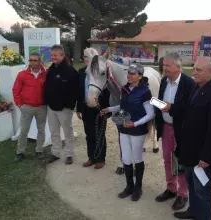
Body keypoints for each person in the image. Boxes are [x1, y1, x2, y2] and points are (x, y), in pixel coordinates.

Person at [173, 57, 211, 220]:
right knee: (191, 184)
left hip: (202, 155)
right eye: (194, 68)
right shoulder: (195, 87)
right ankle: (193, 212)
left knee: (202, 189)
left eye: (199, 70)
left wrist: (206, 156)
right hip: (189, 151)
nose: (194, 72)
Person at [100, 63, 154, 201]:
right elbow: (123, 105)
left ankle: (138, 187)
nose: (129, 75)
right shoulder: (124, 89)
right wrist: (110, 109)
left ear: (140, 76)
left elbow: (150, 114)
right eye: (128, 72)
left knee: (137, 158)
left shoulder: (145, 92)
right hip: (124, 128)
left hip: (137, 130)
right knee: (125, 159)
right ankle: (129, 186)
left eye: (133, 73)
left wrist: (135, 123)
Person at [154, 52, 194, 211]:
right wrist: (155, 103)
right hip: (165, 126)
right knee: (167, 159)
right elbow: (160, 102)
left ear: (178, 67)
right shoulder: (164, 81)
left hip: (181, 129)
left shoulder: (189, 83)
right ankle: (171, 188)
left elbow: (190, 109)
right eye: (164, 65)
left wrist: (171, 108)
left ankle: (183, 193)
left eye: (168, 66)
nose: (164, 68)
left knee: (181, 161)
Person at [44, 44, 80, 165]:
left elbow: (75, 91)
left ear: (62, 55)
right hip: (51, 108)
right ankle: (56, 153)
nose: (53, 57)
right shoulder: (51, 70)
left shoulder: (71, 71)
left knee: (67, 132)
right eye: (52, 55)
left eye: (56, 55)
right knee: (54, 132)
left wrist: (68, 105)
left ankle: (69, 154)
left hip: (64, 109)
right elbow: (47, 87)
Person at [76, 48, 110, 169]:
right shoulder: (81, 72)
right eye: (85, 57)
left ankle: (100, 158)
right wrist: (78, 108)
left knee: (99, 134)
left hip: (99, 108)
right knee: (89, 134)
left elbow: (108, 92)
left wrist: (107, 110)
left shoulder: (102, 72)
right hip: (86, 107)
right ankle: (91, 157)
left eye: (90, 57)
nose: (87, 59)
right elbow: (79, 92)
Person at [12, 53, 47, 162]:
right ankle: (20, 152)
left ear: (40, 62)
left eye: (35, 60)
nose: (32, 62)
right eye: (30, 60)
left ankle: (39, 150)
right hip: (27, 107)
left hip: (41, 107)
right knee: (24, 131)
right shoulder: (22, 74)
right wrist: (19, 104)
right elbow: (16, 90)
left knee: (41, 130)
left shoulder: (45, 74)